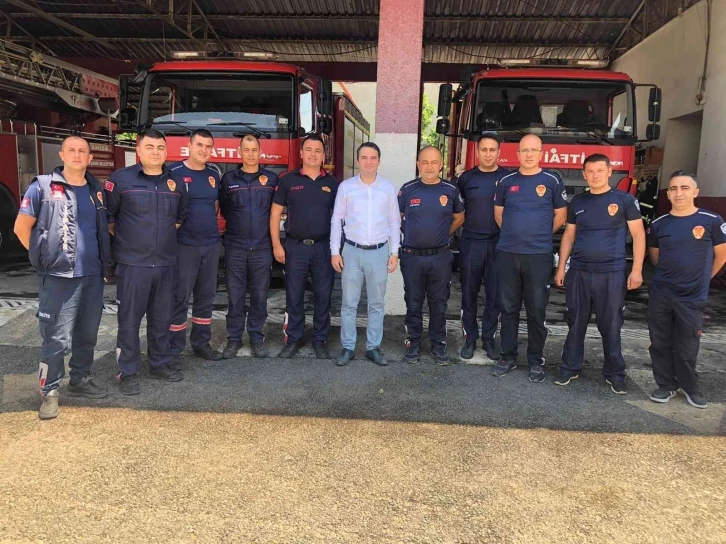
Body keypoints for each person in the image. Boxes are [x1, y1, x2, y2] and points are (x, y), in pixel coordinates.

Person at [14, 136, 111, 419]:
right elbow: (21, 228)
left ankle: (80, 379)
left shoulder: (96, 190)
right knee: (56, 338)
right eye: (72, 150)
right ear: (62, 155)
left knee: (88, 334)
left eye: (82, 151)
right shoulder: (43, 187)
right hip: (58, 276)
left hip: (92, 275)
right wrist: (43, 256)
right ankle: (50, 391)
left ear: (90, 158)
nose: (77, 155)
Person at [105, 129, 188, 395]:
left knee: (161, 319)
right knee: (129, 321)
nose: (155, 152)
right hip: (133, 265)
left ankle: (159, 364)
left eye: (160, 148)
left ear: (167, 152)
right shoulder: (120, 179)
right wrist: (135, 242)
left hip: (165, 264)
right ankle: (127, 372)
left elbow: (178, 220)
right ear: (138, 150)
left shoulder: (176, 183)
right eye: (149, 147)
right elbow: (110, 221)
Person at [554, 154, 645, 394]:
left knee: (611, 325)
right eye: (590, 171)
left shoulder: (624, 200)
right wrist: (562, 267)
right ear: (584, 175)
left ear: (609, 172)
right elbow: (569, 236)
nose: (595, 175)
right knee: (576, 322)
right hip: (579, 272)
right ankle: (569, 367)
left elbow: (638, 235)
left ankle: (615, 373)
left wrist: (636, 270)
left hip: (611, 273)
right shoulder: (578, 202)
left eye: (600, 170)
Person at [646, 171, 726, 408]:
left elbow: (721, 256)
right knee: (660, 342)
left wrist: (703, 279)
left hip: (692, 297)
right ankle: (665, 385)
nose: (678, 193)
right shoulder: (659, 224)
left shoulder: (712, 220)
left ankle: (690, 387)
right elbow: (655, 258)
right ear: (668, 194)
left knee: (687, 345)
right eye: (673, 188)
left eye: (684, 188)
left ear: (695, 192)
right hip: (661, 293)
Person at [491, 134, 567, 383]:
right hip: (508, 254)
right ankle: (508, 356)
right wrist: (514, 236)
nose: (529, 155)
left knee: (536, 310)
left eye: (534, 150)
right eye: (524, 150)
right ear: (518, 154)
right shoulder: (506, 181)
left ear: (541, 154)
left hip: (538, 256)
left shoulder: (552, 180)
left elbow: (560, 215)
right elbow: (499, 215)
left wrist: (539, 236)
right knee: (508, 308)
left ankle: (535, 360)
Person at [330, 142, 401, 367]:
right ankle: (348, 346)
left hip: (379, 252)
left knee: (376, 303)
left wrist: (394, 252)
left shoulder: (387, 188)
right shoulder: (346, 187)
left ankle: (373, 347)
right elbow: (336, 220)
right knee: (349, 303)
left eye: (373, 157)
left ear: (379, 161)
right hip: (351, 251)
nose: (368, 162)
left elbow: (394, 222)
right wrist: (335, 251)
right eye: (364, 157)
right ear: (358, 160)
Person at [270, 134, 339, 358]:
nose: (313, 154)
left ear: (324, 155)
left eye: (318, 150)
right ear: (301, 153)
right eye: (308, 149)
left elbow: (340, 218)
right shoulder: (288, 180)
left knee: (323, 295)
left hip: (322, 248)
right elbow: (275, 214)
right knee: (294, 294)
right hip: (295, 247)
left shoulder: (333, 184)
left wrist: (337, 249)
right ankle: (293, 338)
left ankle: (320, 339)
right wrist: (277, 245)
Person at [398, 146, 465, 364]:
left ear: (441, 165)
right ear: (418, 164)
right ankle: (414, 343)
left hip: (440, 258)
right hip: (412, 257)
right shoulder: (408, 189)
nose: (429, 166)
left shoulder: (450, 190)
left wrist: (443, 234)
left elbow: (459, 217)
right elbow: (397, 217)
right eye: (425, 162)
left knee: (439, 303)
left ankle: (438, 345)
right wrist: (412, 233)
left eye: (434, 162)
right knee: (413, 303)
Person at [220, 134, 278, 358]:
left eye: (254, 150)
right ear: (240, 152)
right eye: (246, 150)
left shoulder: (271, 179)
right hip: (235, 246)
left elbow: (275, 212)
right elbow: (225, 210)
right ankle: (234, 339)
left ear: (260, 152)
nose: (251, 154)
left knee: (259, 296)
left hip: (262, 248)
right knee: (235, 296)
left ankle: (256, 337)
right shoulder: (228, 179)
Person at [168, 129, 223, 366]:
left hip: (210, 244)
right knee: (180, 297)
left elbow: (215, 207)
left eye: (208, 146)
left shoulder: (213, 173)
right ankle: (174, 348)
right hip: (185, 245)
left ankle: (201, 344)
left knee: (206, 296)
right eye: (199, 145)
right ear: (189, 146)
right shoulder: (174, 172)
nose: (204, 150)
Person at [454, 133, 507, 361]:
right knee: (469, 293)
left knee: (495, 294)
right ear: (477, 152)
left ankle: (489, 338)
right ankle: (470, 338)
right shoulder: (466, 179)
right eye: (483, 149)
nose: (488, 154)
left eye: (492, 150)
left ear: (498, 152)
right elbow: (457, 211)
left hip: (498, 243)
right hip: (471, 243)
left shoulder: (507, 178)